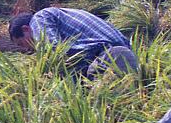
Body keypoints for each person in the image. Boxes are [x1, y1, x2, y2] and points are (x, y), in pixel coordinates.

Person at [8, 8, 137, 77]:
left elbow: (52, 50)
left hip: (110, 57)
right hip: (127, 55)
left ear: (25, 29)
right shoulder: (62, 15)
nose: (26, 50)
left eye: (21, 44)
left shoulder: (38, 19)